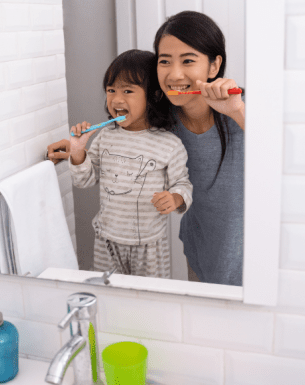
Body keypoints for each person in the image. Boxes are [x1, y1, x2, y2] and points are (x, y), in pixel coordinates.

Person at [48, 11, 244, 286]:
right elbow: (128, 142)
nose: (175, 74)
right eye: (165, 61)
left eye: (188, 60)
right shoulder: (163, 120)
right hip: (200, 249)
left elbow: (284, 162)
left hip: (248, 254)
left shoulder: (242, 110)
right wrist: (75, 149)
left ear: (214, 66)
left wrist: (238, 112)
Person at [68, 49, 193, 279]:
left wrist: (175, 198)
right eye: (111, 90)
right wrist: (78, 152)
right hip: (107, 242)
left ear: (154, 96)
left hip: (149, 246)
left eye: (128, 91)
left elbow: (183, 184)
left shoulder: (169, 144)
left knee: (149, 300)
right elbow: (84, 179)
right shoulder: (105, 136)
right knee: (111, 296)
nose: (116, 99)